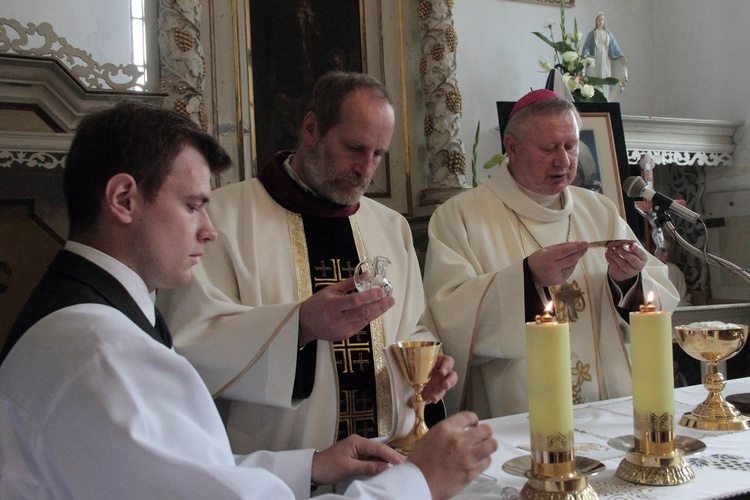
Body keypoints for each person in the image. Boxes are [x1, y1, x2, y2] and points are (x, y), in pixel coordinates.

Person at [0, 101, 497, 499]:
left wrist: (310, 464)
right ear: (124, 199)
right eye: (193, 205)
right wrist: (419, 483)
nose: (209, 230)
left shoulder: (85, 323)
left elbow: (191, 473)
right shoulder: (103, 352)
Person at [157, 71, 457, 454]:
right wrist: (299, 327)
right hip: (283, 475)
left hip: (390, 463)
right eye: (354, 148)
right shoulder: (221, 220)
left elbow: (413, 326)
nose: (366, 169)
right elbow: (189, 342)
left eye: (378, 154)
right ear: (311, 129)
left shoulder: (391, 227)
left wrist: (427, 369)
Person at [423, 90, 679, 419]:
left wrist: (628, 280)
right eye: (548, 148)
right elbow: (446, 317)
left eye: (571, 146)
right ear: (511, 147)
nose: (564, 160)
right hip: (519, 414)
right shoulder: (460, 216)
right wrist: (528, 279)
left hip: (606, 408)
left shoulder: (598, 208)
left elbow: (657, 299)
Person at [582, 12, 628, 100]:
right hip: (595, 59)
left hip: (605, 59)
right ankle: (595, 98)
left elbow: (614, 47)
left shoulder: (608, 34)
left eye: (602, 20)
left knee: (605, 77)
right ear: (596, 21)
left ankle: (605, 98)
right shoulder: (593, 33)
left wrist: (621, 56)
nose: (601, 22)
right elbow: (587, 46)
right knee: (596, 77)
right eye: (599, 20)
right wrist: (585, 55)